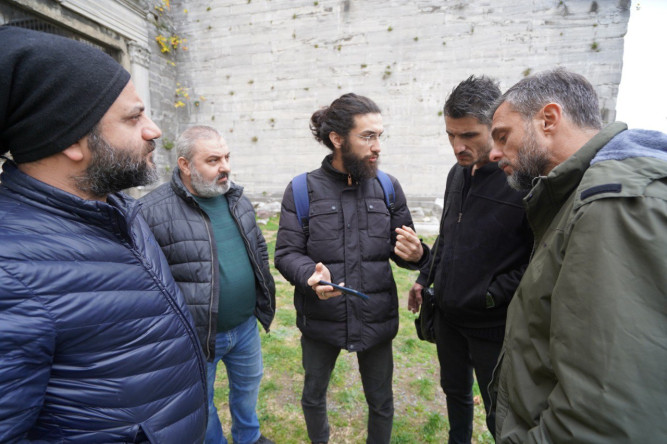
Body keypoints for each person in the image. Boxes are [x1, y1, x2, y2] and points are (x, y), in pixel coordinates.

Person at [0, 26, 207, 442]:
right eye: (134, 117)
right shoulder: (11, 274)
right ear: (71, 139)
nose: (154, 130)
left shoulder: (118, 211)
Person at [488, 68, 667, 443]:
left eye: (503, 136)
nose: (493, 153)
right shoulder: (579, 196)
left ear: (548, 120)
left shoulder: (611, 204)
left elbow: (604, 415)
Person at [274, 93, 429, 444]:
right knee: (313, 395)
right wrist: (309, 276)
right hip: (321, 318)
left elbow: (404, 252)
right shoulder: (302, 190)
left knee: (382, 402)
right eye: (368, 136)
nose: (377, 147)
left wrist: (417, 254)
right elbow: (286, 253)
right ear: (337, 139)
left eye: (379, 136)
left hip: (375, 316)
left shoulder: (388, 188)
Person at [407, 76, 532, 443]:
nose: (457, 146)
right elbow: (448, 235)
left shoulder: (520, 179)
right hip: (447, 319)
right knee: (455, 394)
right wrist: (424, 277)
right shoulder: (456, 174)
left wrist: (490, 295)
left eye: (468, 136)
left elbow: (538, 256)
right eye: (450, 135)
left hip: (492, 326)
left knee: (500, 412)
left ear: (494, 127)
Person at [139, 126, 276, 444]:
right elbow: (148, 286)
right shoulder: (151, 212)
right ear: (185, 165)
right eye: (213, 160)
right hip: (196, 338)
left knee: (247, 388)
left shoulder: (238, 199)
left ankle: (249, 437)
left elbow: (258, 252)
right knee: (202, 404)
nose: (225, 166)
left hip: (245, 328)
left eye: (227, 157)